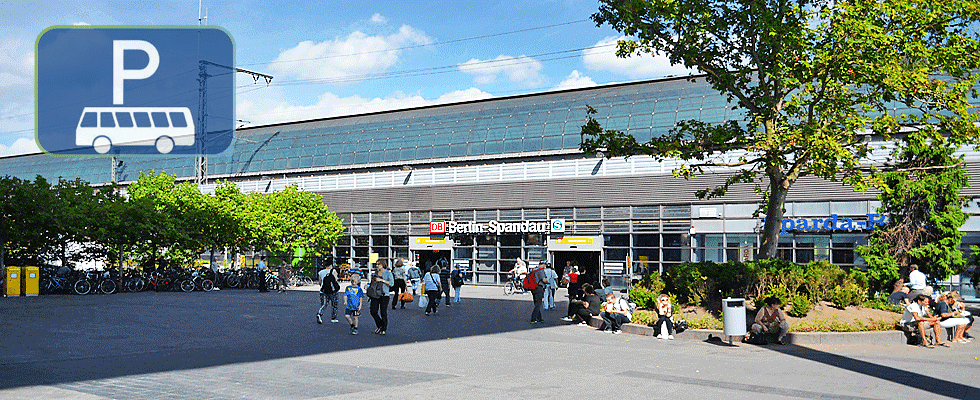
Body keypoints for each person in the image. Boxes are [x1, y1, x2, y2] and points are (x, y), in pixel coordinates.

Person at [369, 261, 393, 335]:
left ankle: (383, 329)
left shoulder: (388, 273)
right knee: (373, 311)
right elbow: (372, 282)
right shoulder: (375, 273)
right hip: (375, 294)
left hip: (384, 294)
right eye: (376, 264)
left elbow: (392, 283)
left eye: (378, 264)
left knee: (383, 312)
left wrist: (382, 280)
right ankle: (380, 325)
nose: (377, 266)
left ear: (383, 265)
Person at [344, 270, 365, 335]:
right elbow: (345, 295)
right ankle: (351, 324)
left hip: (356, 305)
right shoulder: (348, 288)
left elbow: (361, 297)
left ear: (358, 282)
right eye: (352, 281)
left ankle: (355, 328)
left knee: (355, 317)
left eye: (355, 281)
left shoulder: (359, 289)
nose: (354, 283)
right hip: (349, 305)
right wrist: (345, 301)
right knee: (347, 316)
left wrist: (360, 305)